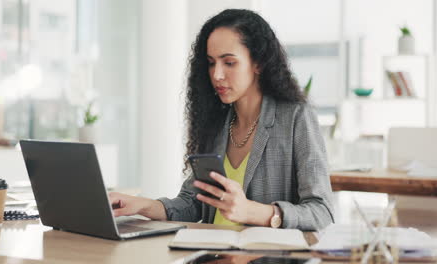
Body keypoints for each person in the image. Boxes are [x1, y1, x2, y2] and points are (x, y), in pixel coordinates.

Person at [109, 9, 334, 231]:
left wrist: (255, 212)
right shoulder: (216, 120)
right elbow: (193, 204)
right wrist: (141, 205)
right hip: (210, 253)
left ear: (259, 63)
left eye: (229, 62)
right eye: (210, 62)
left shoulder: (295, 116)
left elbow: (321, 212)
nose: (217, 75)